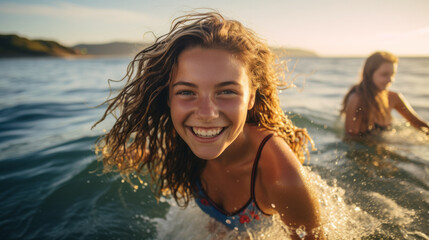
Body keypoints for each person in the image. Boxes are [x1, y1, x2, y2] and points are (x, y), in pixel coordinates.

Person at [93, 11, 325, 239]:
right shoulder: (183, 143)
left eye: (226, 91)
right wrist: (144, 154)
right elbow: (167, 155)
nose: (206, 114)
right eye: (186, 92)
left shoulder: (282, 176)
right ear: (168, 98)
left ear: (251, 97)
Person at [341, 51, 429, 137]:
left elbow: (418, 124)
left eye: (392, 74)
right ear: (369, 74)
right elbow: (350, 137)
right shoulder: (357, 99)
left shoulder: (394, 98)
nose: (391, 80)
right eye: (384, 74)